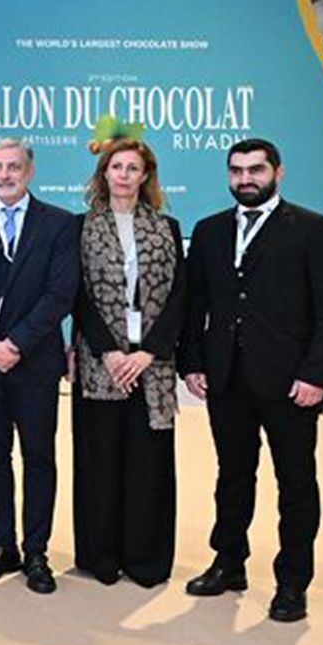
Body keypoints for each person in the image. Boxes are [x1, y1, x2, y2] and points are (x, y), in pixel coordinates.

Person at [179, 137, 323, 623]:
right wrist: (193, 362)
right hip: (225, 379)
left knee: (295, 483)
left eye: (255, 170)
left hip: (291, 382)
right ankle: (228, 562)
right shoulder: (209, 230)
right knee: (232, 476)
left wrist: (316, 374)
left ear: (278, 172)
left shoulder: (314, 229)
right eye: (236, 171)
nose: (245, 179)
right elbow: (194, 304)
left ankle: (292, 582)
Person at [0, 138, 78, 593]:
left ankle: (36, 552)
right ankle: (3, 546)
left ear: (30, 170)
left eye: (14, 167)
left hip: (35, 364)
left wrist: (16, 343)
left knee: (38, 457)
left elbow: (60, 294)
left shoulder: (59, 224)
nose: (5, 175)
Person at [69, 139, 186, 587]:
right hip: (101, 361)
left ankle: (145, 559)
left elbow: (180, 296)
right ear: (104, 174)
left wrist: (147, 352)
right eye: (116, 166)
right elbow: (77, 294)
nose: (123, 174)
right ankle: (101, 556)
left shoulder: (167, 227)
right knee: (100, 460)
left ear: (145, 175)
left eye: (132, 167)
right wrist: (111, 352)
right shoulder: (81, 227)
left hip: (151, 364)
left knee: (148, 463)